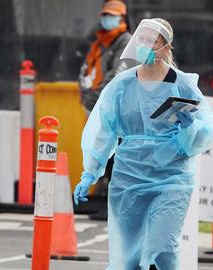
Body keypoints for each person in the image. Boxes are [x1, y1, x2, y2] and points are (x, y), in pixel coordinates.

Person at [73, 18, 213, 270]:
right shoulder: (121, 85)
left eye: (151, 41)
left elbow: (207, 131)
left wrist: (190, 126)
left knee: (162, 247)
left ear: (166, 46)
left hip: (172, 177)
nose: (143, 46)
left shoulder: (183, 84)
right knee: (133, 256)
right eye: (140, 40)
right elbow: (103, 131)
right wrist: (89, 172)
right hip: (129, 177)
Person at [78, 0, 134, 218]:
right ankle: (108, 202)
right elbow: (85, 69)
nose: (107, 19)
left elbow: (117, 75)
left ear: (122, 18)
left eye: (112, 16)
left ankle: (114, 205)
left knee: (114, 155)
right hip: (96, 106)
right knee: (102, 151)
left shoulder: (125, 42)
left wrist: (95, 97)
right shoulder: (99, 42)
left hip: (113, 108)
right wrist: (86, 95)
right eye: (105, 15)